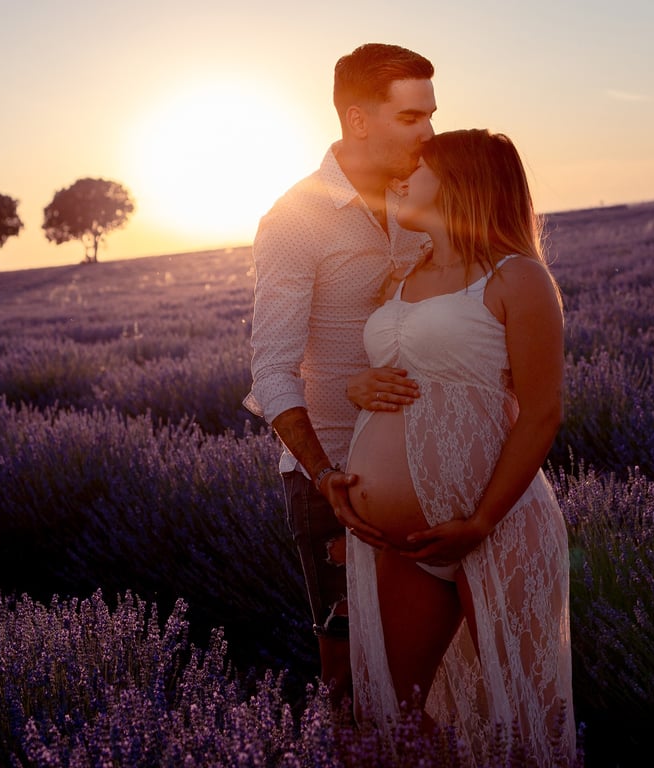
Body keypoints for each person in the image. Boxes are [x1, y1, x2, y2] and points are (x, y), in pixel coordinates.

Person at [344, 129, 577, 765]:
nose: (403, 176)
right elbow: (392, 368)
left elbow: (542, 412)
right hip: (406, 545)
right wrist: (357, 384)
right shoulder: (403, 274)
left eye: (418, 167)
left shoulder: (516, 276)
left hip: (497, 528)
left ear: (459, 181)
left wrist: (479, 521)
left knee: (521, 721)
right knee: (398, 718)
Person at [244, 43, 436, 704]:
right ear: (358, 120)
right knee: (351, 685)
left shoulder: (428, 195)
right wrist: (325, 476)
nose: (429, 132)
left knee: (431, 681)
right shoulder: (297, 220)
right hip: (338, 487)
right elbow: (271, 373)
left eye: (430, 115)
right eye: (412, 118)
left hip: (430, 462)